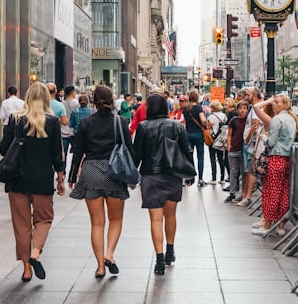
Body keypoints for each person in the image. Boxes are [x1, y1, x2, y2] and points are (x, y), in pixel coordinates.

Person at [0, 81, 65, 282]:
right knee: (44, 219)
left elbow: (3, 149)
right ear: (46, 99)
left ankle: (27, 269)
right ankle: (36, 252)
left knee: (21, 224)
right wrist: (60, 179)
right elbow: (56, 155)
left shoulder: (15, 119)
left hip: (17, 179)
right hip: (42, 179)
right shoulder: (52, 122)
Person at [68, 85, 135, 278]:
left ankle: (99, 266)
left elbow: (78, 151)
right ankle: (109, 254)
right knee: (116, 220)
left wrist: (72, 176)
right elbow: (129, 149)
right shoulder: (120, 122)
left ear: (93, 101)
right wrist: (133, 175)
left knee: (97, 223)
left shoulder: (86, 123)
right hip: (114, 172)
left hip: (91, 171)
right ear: (112, 101)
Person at [132, 92, 195, 275]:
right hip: (172, 175)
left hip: (151, 176)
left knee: (155, 219)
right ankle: (170, 249)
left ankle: (159, 259)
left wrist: (131, 177)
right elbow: (187, 150)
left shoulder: (143, 127)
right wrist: (190, 174)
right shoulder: (177, 126)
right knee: (171, 215)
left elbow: (138, 155)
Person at [249, 94, 298, 236]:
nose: (273, 104)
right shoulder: (291, 119)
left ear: (285, 104)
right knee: (283, 192)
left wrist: (264, 137)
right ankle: (280, 225)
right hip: (287, 159)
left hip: (275, 158)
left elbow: (271, 142)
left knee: (271, 192)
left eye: (277, 102)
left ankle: (267, 225)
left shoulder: (278, 120)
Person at [181, 89, 211, 186]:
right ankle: (200, 179)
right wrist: (205, 123)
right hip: (198, 134)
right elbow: (202, 120)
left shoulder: (185, 109)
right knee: (200, 157)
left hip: (188, 134)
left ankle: (190, 177)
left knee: (189, 157)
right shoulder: (199, 108)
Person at [225, 101, 249, 203]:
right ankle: (232, 193)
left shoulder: (249, 121)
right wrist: (229, 145)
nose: (242, 110)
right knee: (233, 172)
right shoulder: (233, 120)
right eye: (240, 108)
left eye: (244, 108)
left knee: (244, 172)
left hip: (244, 150)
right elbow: (229, 134)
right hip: (234, 149)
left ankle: (243, 193)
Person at [206, 100, 228, 185]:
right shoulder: (224, 116)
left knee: (212, 158)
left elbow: (208, 127)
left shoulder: (211, 117)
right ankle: (222, 177)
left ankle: (214, 178)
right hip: (221, 139)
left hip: (213, 139)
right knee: (220, 158)